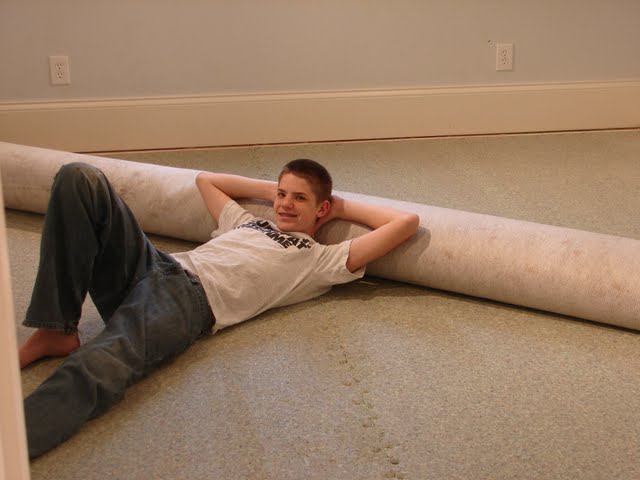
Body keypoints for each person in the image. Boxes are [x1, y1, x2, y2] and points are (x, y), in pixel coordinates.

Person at [18, 158, 419, 459]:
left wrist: (338, 206)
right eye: (282, 195)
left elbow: (406, 222)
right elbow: (206, 180)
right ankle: (56, 328)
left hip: (187, 300)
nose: (285, 204)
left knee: (98, 363)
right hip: (156, 264)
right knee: (80, 178)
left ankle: (12, 445)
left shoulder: (319, 259)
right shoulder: (246, 222)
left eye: (300, 198)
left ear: (322, 210)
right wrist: (279, 189)